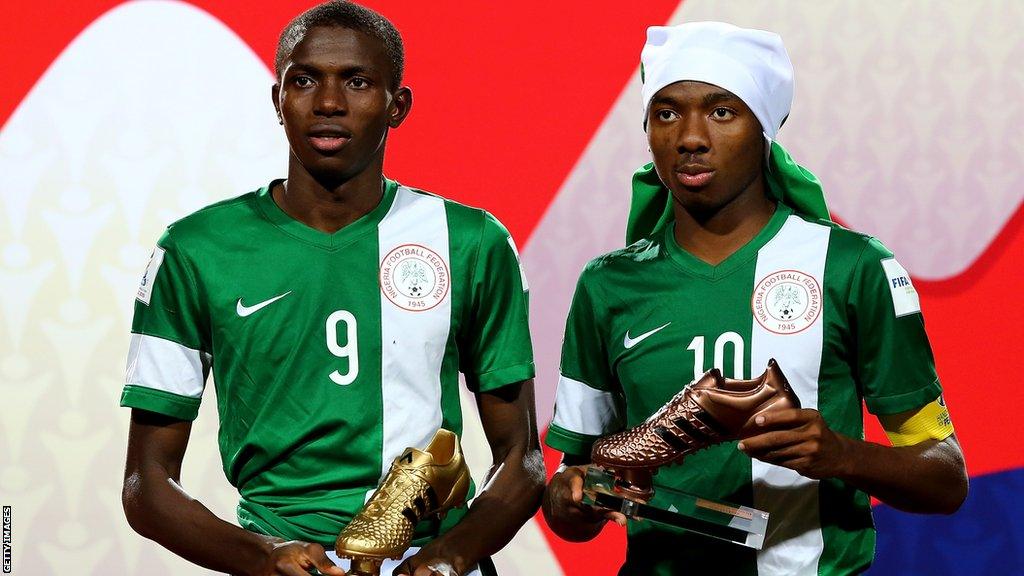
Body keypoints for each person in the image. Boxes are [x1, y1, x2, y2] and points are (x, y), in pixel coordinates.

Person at [119, 3, 544, 575]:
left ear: (399, 106)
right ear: (278, 101)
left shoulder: (471, 241)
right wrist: (262, 557)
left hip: (429, 556)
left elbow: (522, 460)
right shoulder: (196, 250)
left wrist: (449, 556)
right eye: (304, 80)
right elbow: (146, 484)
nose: (328, 104)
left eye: (358, 82)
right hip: (277, 557)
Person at [542, 22, 968, 575]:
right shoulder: (608, 284)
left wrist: (842, 454)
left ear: (764, 128)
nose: (690, 137)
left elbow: (945, 477)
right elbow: (577, 490)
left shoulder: (851, 266)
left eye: (722, 112)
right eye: (667, 113)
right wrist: (571, 497)